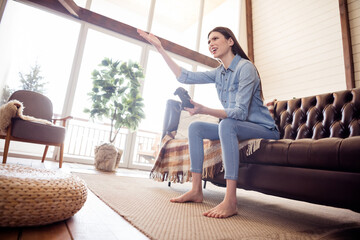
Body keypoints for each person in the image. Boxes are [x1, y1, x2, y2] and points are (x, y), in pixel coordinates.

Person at [137, 27, 280, 218]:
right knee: (196, 127)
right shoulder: (219, 73)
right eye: (208, 41)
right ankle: (196, 190)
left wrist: (203, 109)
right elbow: (184, 76)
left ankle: (230, 200)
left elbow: (238, 113)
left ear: (230, 41)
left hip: (264, 129)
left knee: (226, 124)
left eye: (215, 38)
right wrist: (160, 49)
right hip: (240, 126)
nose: (211, 43)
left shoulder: (246, 68)